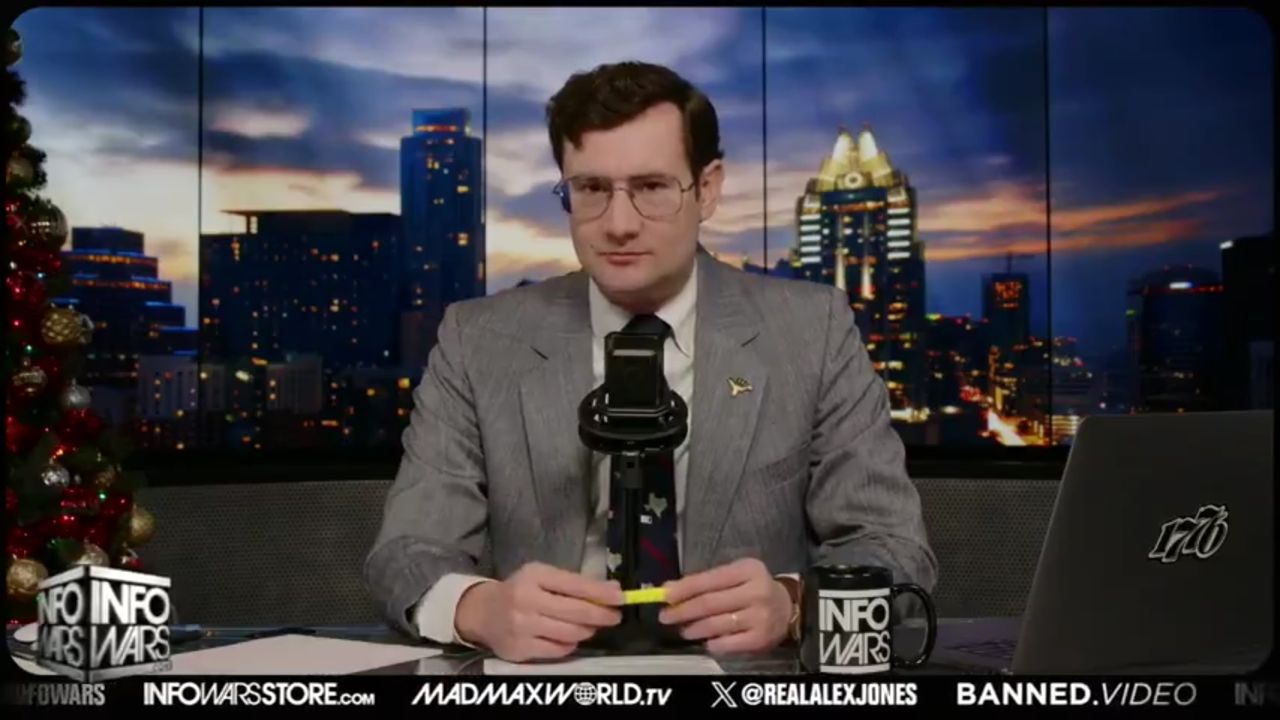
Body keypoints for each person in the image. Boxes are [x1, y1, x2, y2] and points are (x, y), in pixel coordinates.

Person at [364, 60, 936, 663]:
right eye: (591, 189)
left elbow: (895, 548)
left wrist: (795, 605)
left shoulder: (811, 331)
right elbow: (405, 553)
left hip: (740, 681)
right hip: (546, 678)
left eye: (652, 187)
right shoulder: (478, 339)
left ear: (707, 189)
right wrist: (479, 610)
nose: (619, 224)